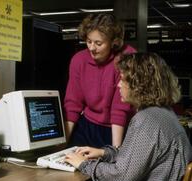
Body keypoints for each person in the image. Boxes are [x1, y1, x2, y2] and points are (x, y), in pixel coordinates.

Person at [65, 52, 192, 180]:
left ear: (139, 85)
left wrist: (83, 164)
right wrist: (104, 153)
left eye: (122, 79)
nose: (118, 84)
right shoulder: (165, 113)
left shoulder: (146, 120)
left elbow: (122, 176)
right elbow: (137, 157)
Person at [64, 13, 136, 148]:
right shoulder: (78, 60)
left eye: (98, 43)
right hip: (88, 125)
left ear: (113, 42)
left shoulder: (126, 57)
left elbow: (120, 109)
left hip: (117, 128)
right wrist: (63, 146)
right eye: (89, 41)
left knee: (110, 164)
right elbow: (73, 104)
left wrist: (116, 151)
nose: (91, 48)